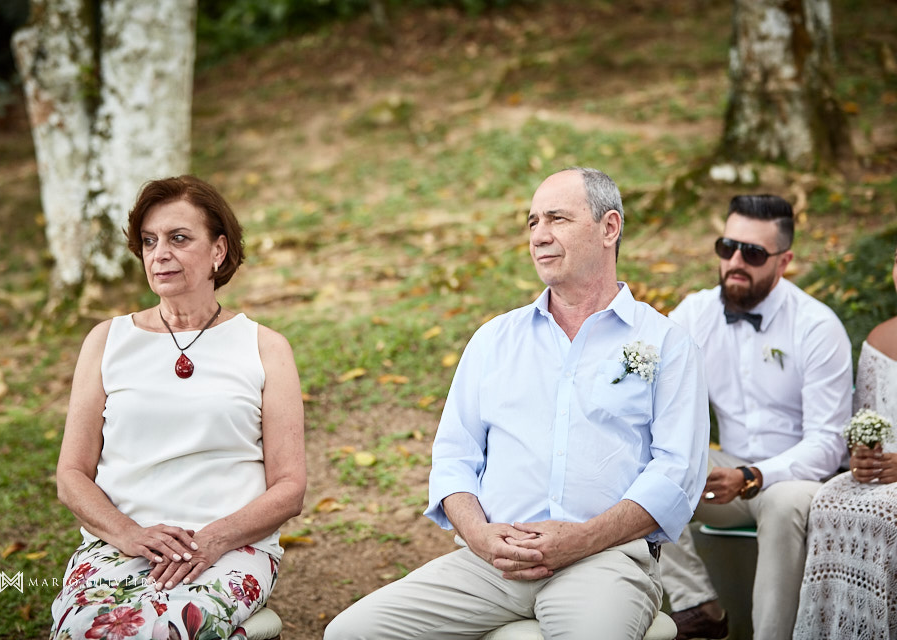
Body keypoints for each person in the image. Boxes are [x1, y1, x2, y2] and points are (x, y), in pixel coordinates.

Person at [323, 167, 710, 640]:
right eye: (532, 222)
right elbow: (454, 458)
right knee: (351, 633)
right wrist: (479, 536)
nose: (539, 235)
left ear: (609, 228)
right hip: (492, 565)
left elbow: (676, 473)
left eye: (557, 219)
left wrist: (584, 538)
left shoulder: (667, 343)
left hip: (605, 561)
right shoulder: (494, 340)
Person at [49, 175, 306, 639]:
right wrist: (128, 533)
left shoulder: (265, 347)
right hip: (121, 545)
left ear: (218, 251)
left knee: (165, 628)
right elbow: (71, 475)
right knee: (85, 629)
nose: (159, 253)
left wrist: (213, 539)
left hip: (229, 547)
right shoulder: (107, 341)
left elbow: (290, 488)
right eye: (149, 241)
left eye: (179, 238)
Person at [659, 194, 853, 640]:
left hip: (799, 480)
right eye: (727, 247)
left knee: (783, 506)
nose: (735, 262)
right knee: (641, 462)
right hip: (725, 475)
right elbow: (648, 388)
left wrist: (751, 476)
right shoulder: (696, 313)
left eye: (753, 253)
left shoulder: (816, 326)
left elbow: (828, 445)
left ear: (784, 262)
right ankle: (696, 606)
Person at [793, 243, 897, 640]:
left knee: (887, 513)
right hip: (882, 479)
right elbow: (864, 425)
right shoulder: (879, 340)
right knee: (829, 499)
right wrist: (862, 457)